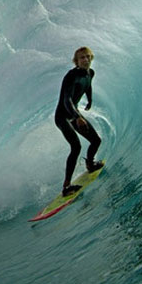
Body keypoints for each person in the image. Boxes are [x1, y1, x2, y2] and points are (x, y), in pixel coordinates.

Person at [55, 46, 104, 196]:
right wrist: (77, 117)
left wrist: (90, 100)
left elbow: (87, 86)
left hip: (74, 115)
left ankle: (90, 163)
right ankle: (66, 186)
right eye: (82, 57)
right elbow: (66, 100)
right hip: (63, 117)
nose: (86, 60)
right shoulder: (71, 76)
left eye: (88, 57)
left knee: (96, 141)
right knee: (76, 147)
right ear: (76, 61)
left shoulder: (90, 73)